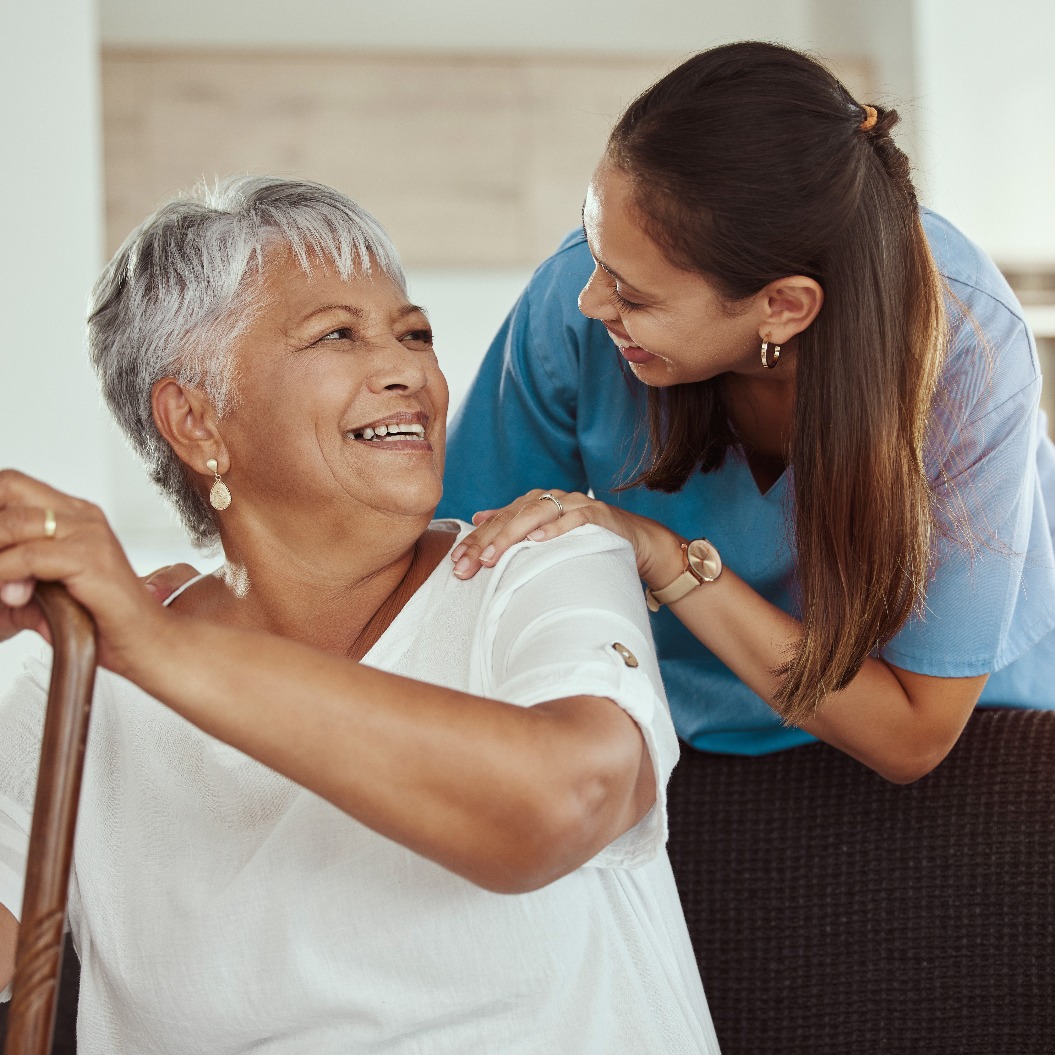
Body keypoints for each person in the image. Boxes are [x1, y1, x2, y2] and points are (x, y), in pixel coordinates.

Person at [0, 177, 719, 1053]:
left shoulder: (541, 562)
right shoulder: (77, 680)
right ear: (195, 420)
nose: (408, 370)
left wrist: (154, 648)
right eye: (337, 334)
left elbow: (564, 803)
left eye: (414, 334)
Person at [438, 41, 1055, 784]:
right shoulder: (575, 305)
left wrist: (665, 557)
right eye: (596, 255)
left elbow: (910, 735)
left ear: (782, 307)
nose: (590, 301)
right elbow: (464, 580)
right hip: (670, 726)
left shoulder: (970, 347)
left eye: (632, 295)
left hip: (958, 736)